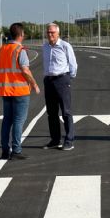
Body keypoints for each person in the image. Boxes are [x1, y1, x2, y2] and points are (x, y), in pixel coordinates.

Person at [0, 23, 40, 160]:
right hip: (20, 90)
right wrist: (34, 84)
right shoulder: (20, 50)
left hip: (5, 90)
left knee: (7, 121)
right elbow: (25, 70)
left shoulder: (2, 49)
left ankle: (5, 150)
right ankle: (16, 150)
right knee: (18, 121)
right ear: (21, 35)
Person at [42, 23, 78, 151]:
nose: (50, 34)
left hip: (62, 80)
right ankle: (55, 139)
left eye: (52, 32)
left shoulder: (65, 46)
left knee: (66, 112)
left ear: (58, 33)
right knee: (51, 113)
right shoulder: (45, 47)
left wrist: (67, 78)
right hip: (49, 81)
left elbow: (73, 65)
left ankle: (69, 140)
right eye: (48, 32)